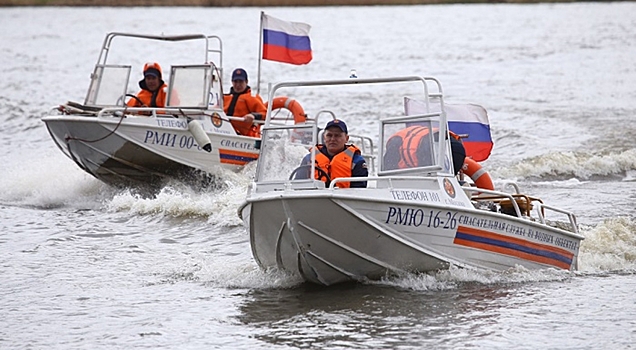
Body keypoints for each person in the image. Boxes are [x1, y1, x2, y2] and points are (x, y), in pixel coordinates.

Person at [298, 119, 368, 188]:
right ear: (324, 138)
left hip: (344, 198)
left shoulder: (357, 161)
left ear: (346, 138)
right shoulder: (309, 159)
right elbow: (298, 185)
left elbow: (359, 190)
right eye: (329, 135)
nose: (333, 139)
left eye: (337, 135)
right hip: (314, 197)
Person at [383, 125, 466, 175]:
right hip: (452, 145)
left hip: (427, 147)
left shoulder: (394, 144)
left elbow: (387, 173)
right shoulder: (397, 141)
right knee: (445, 177)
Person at [223, 68, 267, 137]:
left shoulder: (252, 98)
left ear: (246, 82)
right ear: (232, 82)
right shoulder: (224, 98)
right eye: (235, 81)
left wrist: (253, 116)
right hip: (223, 132)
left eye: (240, 81)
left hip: (244, 136)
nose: (238, 85)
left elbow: (265, 114)